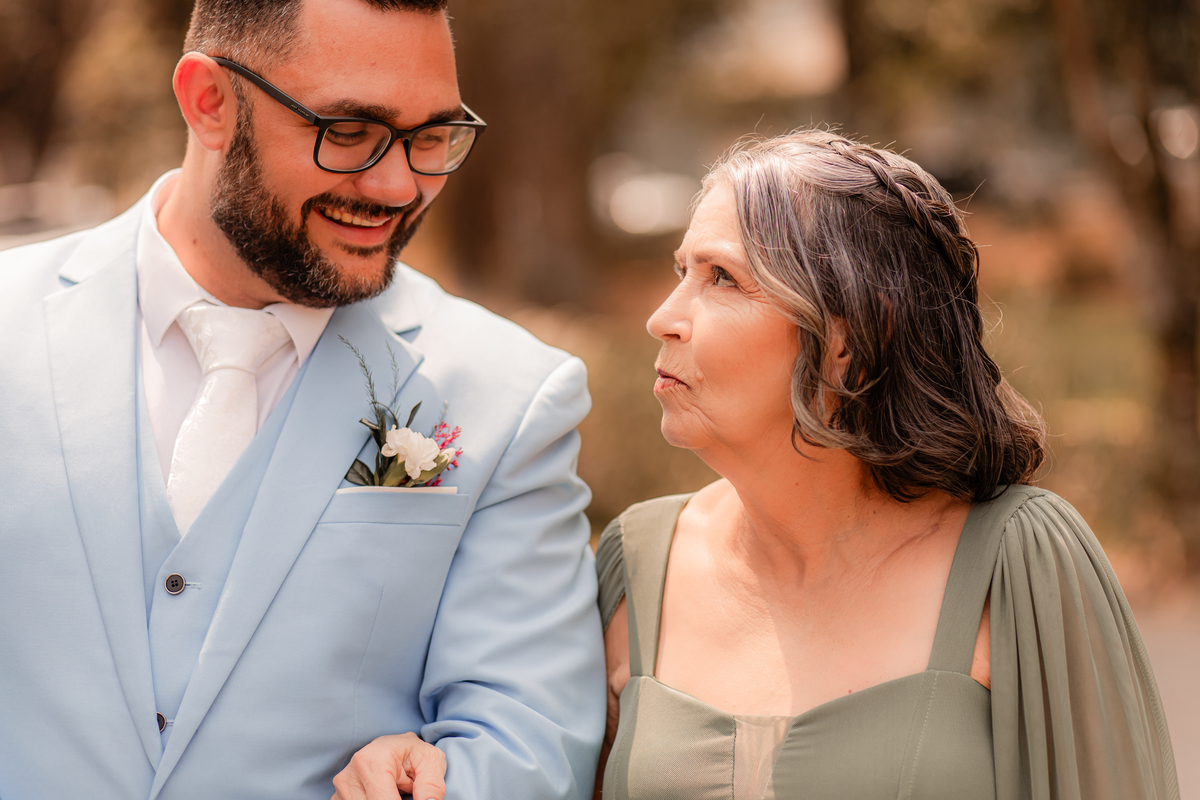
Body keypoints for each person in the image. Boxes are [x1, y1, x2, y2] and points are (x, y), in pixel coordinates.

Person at [0, 0, 605, 798]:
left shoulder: (510, 395)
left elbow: (529, 743)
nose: (397, 186)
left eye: (430, 139)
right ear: (209, 101)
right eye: (349, 131)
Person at [595, 131, 1179, 799]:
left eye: (721, 277)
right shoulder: (634, 566)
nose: (662, 319)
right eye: (682, 273)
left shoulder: (1017, 563)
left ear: (847, 338)